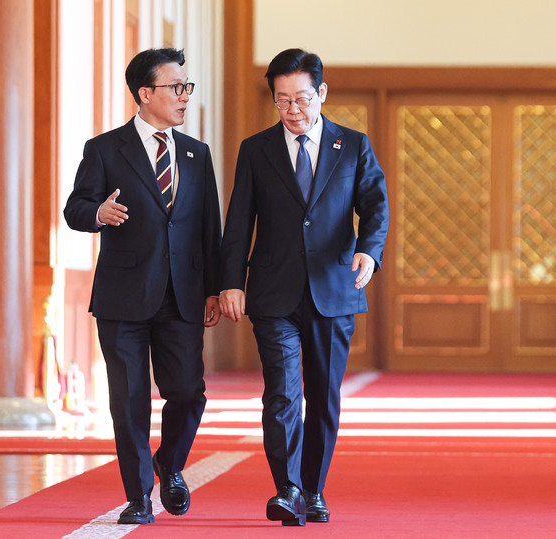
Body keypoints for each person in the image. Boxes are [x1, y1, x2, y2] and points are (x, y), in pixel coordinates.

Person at [219, 48, 389, 526]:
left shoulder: (352, 145)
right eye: (283, 100)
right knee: (281, 394)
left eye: (302, 99)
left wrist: (369, 251)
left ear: (322, 93)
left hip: (333, 290)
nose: (293, 110)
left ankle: (313, 489)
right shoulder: (256, 150)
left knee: (323, 396)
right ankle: (287, 488)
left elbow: (375, 206)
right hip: (273, 294)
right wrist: (230, 282)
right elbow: (239, 222)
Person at [63, 48, 222, 525]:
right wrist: (97, 213)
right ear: (145, 93)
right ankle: (138, 496)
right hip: (123, 296)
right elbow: (75, 208)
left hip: (182, 296)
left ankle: (169, 464)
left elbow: (208, 228)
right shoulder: (105, 149)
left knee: (188, 393)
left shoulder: (196, 153)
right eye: (176, 87)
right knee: (129, 400)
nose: (184, 96)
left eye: (186, 87)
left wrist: (214, 288)